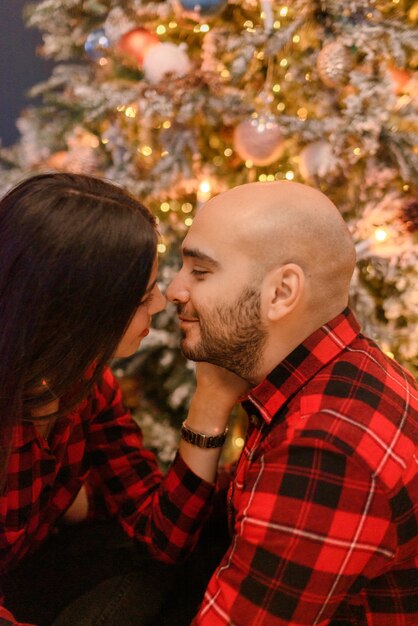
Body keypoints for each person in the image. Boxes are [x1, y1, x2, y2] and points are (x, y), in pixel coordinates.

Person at [166, 180, 418, 626]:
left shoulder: (328, 448)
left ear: (281, 293)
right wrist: (210, 399)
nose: (173, 290)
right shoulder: (332, 373)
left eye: (200, 272)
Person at [0, 172, 246, 626]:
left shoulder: (85, 384)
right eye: (141, 295)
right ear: (75, 309)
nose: (161, 304)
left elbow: (161, 536)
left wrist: (210, 401)